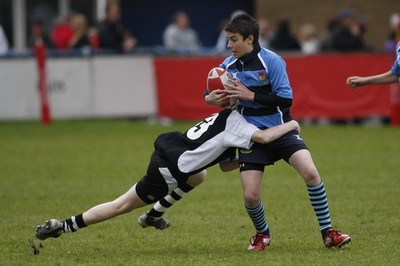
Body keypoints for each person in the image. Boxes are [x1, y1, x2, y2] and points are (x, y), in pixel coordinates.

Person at [35, 108, 300, 241]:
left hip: (171, 151)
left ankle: (153, 215)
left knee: (200, 175)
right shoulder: (241, 125)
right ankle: (64, 225)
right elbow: (264, 135)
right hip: (169, 170)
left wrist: (257, 157)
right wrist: (292, 124)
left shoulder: (228, 115)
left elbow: (224, 165)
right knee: (122, 205)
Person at [204, 14, 351, 251]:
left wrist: (250, 95)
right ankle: (262, 234)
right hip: (250, 135)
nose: (229, 45)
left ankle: (328, 233)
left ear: (249, 39)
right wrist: (209, 98)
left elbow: (286, 99)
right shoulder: (227, 65)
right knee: (251, 196)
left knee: (311, 173)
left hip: (280, 128)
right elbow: (210, 91)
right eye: (228, 40)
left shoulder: (272, 61)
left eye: (233, 40)